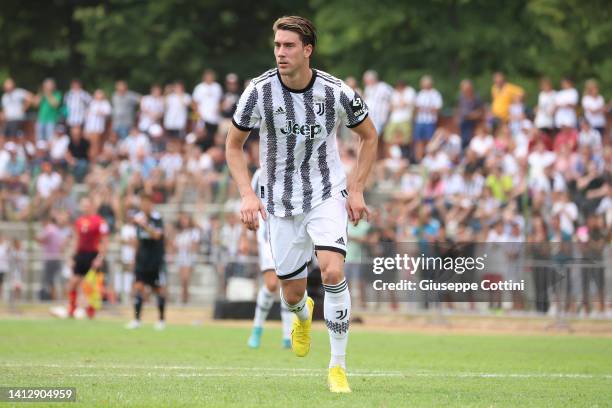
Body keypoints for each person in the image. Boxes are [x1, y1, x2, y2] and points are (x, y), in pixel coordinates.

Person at [226, 16, 378, 393]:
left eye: (289, 45)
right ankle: (301, 313)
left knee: (330, 272)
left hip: (326, 193)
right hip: (278, 201)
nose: (281, 52)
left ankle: (337, 368)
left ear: (307, 50)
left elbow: (369, 136)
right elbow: (233, 144)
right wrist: (247, 194)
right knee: (292, 293)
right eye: (277, 45)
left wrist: (356, 189)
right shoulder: (258, 92)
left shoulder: (336, 91)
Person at [246, 169, 293, 349]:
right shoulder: (260, 174)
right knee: (272, 284)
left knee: (288, 284)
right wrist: (245, 236)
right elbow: (248, 203)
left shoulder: (292, 168)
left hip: (289, 234)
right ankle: (257, 329)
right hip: (266, 236)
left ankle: (287, 336)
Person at [126, 193, 167, 330]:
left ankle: (161, 320)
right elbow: (138, 240)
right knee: (138, 288)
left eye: (147, 203)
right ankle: (137, 320)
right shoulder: (139, 219)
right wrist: (134, 257)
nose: (145, 206)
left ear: (151, 204)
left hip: (155, 260)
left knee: (158, 290)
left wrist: (144, 226)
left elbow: (157, 235)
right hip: (142, 260)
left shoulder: (157, 219)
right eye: (143, 203)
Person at [66, 197, 109, 318]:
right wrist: (72, 257)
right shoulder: (79, 221)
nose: (84, 208)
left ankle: (91, 310)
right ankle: (72, 308)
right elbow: (76, 239)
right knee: (73, 282)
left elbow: (105, 242)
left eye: (87, 205)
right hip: (81, 255)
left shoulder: (100, 221)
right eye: (83, 205)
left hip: (93, 255)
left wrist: (99, 258)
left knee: (91, 285)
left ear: (92, 206)